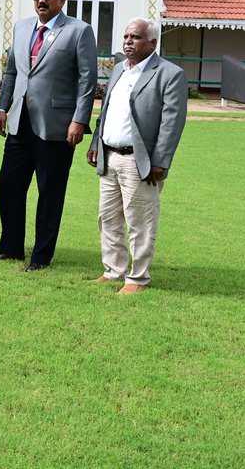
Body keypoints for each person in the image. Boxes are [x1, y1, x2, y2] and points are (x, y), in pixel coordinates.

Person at [0, 0, 97, 270]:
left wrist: (79, 119)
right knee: (8, 184)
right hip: (19, 121)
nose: (41, 1)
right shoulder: (22, 27)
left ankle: (41, 256)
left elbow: (87, 80)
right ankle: (11, 248)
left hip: (57, 125)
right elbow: (13, 71)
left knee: (49, 192)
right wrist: (3, 107)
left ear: (61, 0)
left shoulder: (79, 31)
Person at [86, 18, 187, 294]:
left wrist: (160, 161)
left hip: (139, 161)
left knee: (140, 221)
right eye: (127, 36)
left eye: (136, 37)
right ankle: (113, 270)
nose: (128, 41)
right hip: (110, 157)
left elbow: (172, 123)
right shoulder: (119, 69)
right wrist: (96, 143)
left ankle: (138, 278)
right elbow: (106, 111)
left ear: (152, 43)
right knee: (107, 218)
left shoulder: (169, 74)